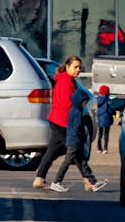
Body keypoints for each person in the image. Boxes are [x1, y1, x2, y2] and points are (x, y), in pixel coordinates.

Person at [33, 56, 81, 190]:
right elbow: (67, 104)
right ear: (67, 67)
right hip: (62, 121)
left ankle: (39, 178)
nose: (78, 70)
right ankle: (88, 180)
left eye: (79, 67)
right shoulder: (66, 82)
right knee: (74, 149)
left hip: (57, 119)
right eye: (75, 67)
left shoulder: (66, 80)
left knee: (53, 150)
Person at [49, 84, 108, 193]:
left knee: (82, 162)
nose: (85, 105)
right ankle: (57, 181)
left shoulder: (76, 111)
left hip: (75, 142)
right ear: (78, 101)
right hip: (74, 142)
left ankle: (93, 181)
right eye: (84, 103)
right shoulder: (76, 112)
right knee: (68, 161)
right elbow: (76, 129)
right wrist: (81, 140)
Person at [94, 85, 114, 153]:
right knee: (106, 134)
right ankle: (105, 148)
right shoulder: (109, 100)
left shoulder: (97, 100)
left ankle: (99, 148)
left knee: (100, 133)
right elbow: (111, 110)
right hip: (107, 119)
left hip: (100, 119)